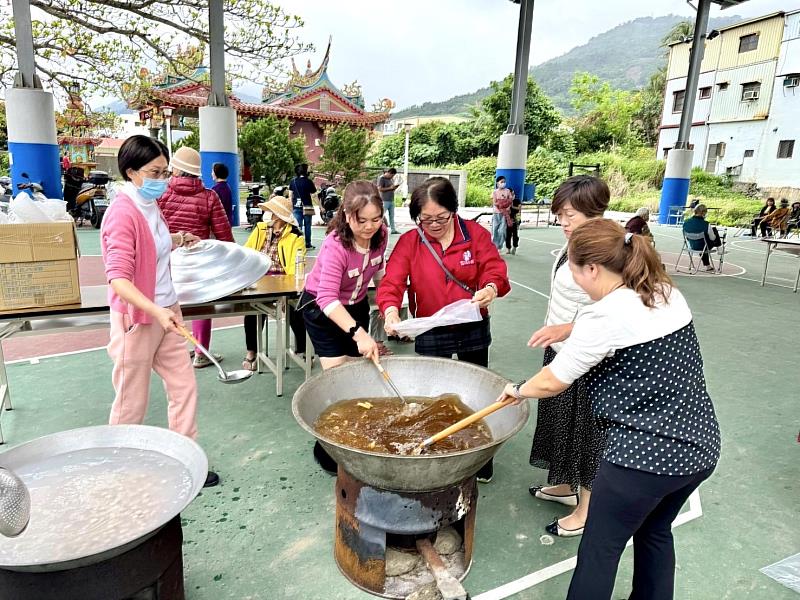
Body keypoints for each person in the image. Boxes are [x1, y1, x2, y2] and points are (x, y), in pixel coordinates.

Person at [499, 219, 720, 600]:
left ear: (592, 268)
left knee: (600, 549)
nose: (573, 276)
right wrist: (568, 329)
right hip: (700, 447)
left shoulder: (604, 315)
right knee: (654, 531)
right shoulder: (663, 291)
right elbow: (622, 327)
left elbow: (554, 380)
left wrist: (517, 389)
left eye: (572, 267)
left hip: (645, 459)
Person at [100, 134, 219, 488]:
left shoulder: (149, 205)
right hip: (138, 320)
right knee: (130, 402)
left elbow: (154, 246)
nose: (163, 180)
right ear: (131, 172)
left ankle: (186, 459)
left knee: (184, 387)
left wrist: (178, 238)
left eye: (166, 172)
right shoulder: (121, 213)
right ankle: (117, 470)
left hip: (167, 311)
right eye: (155, 172)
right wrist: (156, 311)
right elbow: (119, 280)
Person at [378, 176, 510, 483]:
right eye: (425, 219)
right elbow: (393, 281)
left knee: (478, 391)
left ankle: (479, 457)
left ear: (454, 210)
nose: (434, 225)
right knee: (431, 394)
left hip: (470, 321)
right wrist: (390, 311)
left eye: (441, 218)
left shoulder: (474, 234)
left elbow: (495, 268)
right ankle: (436, 449)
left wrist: (490, 288)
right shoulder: (411, 241)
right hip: (430, 326)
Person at [527, 175, 610, 536]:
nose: (563, 221)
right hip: (560, 348)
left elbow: (614, 315)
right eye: (560, 213)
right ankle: (563, 486)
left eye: (570, 215)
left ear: (596, 213)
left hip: (589, 359)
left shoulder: (605, 254)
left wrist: (567, 330)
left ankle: (587, 511)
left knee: (588, 434)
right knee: (561, 423)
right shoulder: (574, 243)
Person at [298, 180, 387, 473]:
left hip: (356, 304)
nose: (370, 226)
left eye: (376, 219)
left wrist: (388, 309)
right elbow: (326, 297)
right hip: (322, 309)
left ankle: (361, 439)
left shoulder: (381, 236)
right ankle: (328, 450)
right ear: (348, 215)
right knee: (337, 375)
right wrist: (358, 333)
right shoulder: (336, 245)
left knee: (363, 368)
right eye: (362, 220)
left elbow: (379, 274)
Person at [159, 146, 234, 368]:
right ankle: (201, 353)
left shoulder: (161, 194)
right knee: (202, 304)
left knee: (169, 305)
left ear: (175, 170)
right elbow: (223, 233)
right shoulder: (209, 197)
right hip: (197, 262)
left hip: (167, 260)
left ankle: (172, 354)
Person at [241, 193, 307, 370]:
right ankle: (252, 352)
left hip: (282, 281)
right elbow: (247, 253)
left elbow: (296, 267)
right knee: (253, 311)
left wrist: (287, 290)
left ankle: (302, 349)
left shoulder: (295, 237)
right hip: (259, 279)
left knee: (296, 307)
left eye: (271, 211)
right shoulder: (261, 229)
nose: (268, 214)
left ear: (279, 215)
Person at [683, 204, 723, 272]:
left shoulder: (686, 222)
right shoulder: (706, 224)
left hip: (692, 245)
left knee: (703, 242)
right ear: (704, 213)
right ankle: (720, 248)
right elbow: (713, 238)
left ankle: (708, 265)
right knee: (713, 232)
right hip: (703, 246)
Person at [289, 163, 317, 249]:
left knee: (298, 226)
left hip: (296, 207)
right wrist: (321, 206)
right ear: (305, 171)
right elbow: (314, 195)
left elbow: (290, 196)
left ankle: (298, 243)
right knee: (308, 226)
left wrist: (291, 207)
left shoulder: (293, 181)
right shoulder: (309, 182)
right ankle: (308, 244)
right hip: (307, 207)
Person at [491, 175, 513, 251]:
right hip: (496, 213)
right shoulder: (495, 192)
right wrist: (500, 207)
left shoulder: (507, 191)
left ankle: (499, 246)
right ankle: (494, 246)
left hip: (505, 214)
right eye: (501, 182)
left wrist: (507, 208)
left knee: (502, 231)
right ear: (497, 183)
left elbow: (510, 201)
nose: (503, 183)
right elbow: (494, 202)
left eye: (504, 182)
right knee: (495, 230)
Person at [377, 167, 400, 234]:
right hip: (384, 199)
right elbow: (380, 189)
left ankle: (393, 230)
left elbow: (391, 188)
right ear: (389, 173)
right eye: (392, 175)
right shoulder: (382, 178)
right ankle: (379, 229)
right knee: (382, 215)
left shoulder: (390, 179)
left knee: (392, 216)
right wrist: (390, 188)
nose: (392, 177)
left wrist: (394, 188)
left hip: (391, 199)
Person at [506, 190, 522, 255]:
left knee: (515, 235)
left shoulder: (517, 200)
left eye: (512, 194)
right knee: (508, 235)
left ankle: (514, 247)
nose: (512, 195)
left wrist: (512, 206)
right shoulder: (506, 201)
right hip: (508, 220)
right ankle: (508, 248)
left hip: (515, 220)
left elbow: (519, 208)